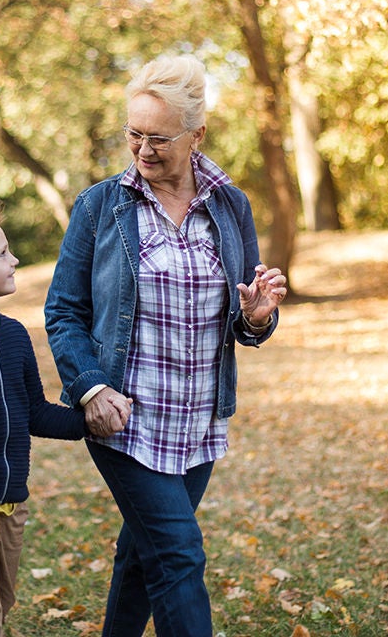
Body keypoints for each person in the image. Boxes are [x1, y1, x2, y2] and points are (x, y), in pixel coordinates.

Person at [44, 54, 288, 637]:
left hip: (197, 423)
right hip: (124, 420)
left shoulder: (230, 206)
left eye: (159, 138)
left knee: (142, 557)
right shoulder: (101, 206)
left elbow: (246, 318)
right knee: (178, 554)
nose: (143, 150)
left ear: (196, 135)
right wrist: (90, 388)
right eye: (133, 134)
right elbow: (63, 310)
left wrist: (254, 317)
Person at [0, 198, 129, 637]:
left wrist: (88, 421)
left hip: (12, 499)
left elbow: (34, 411)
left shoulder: (13, 334)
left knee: (1, 602)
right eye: (2, 253)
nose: (15, 259)